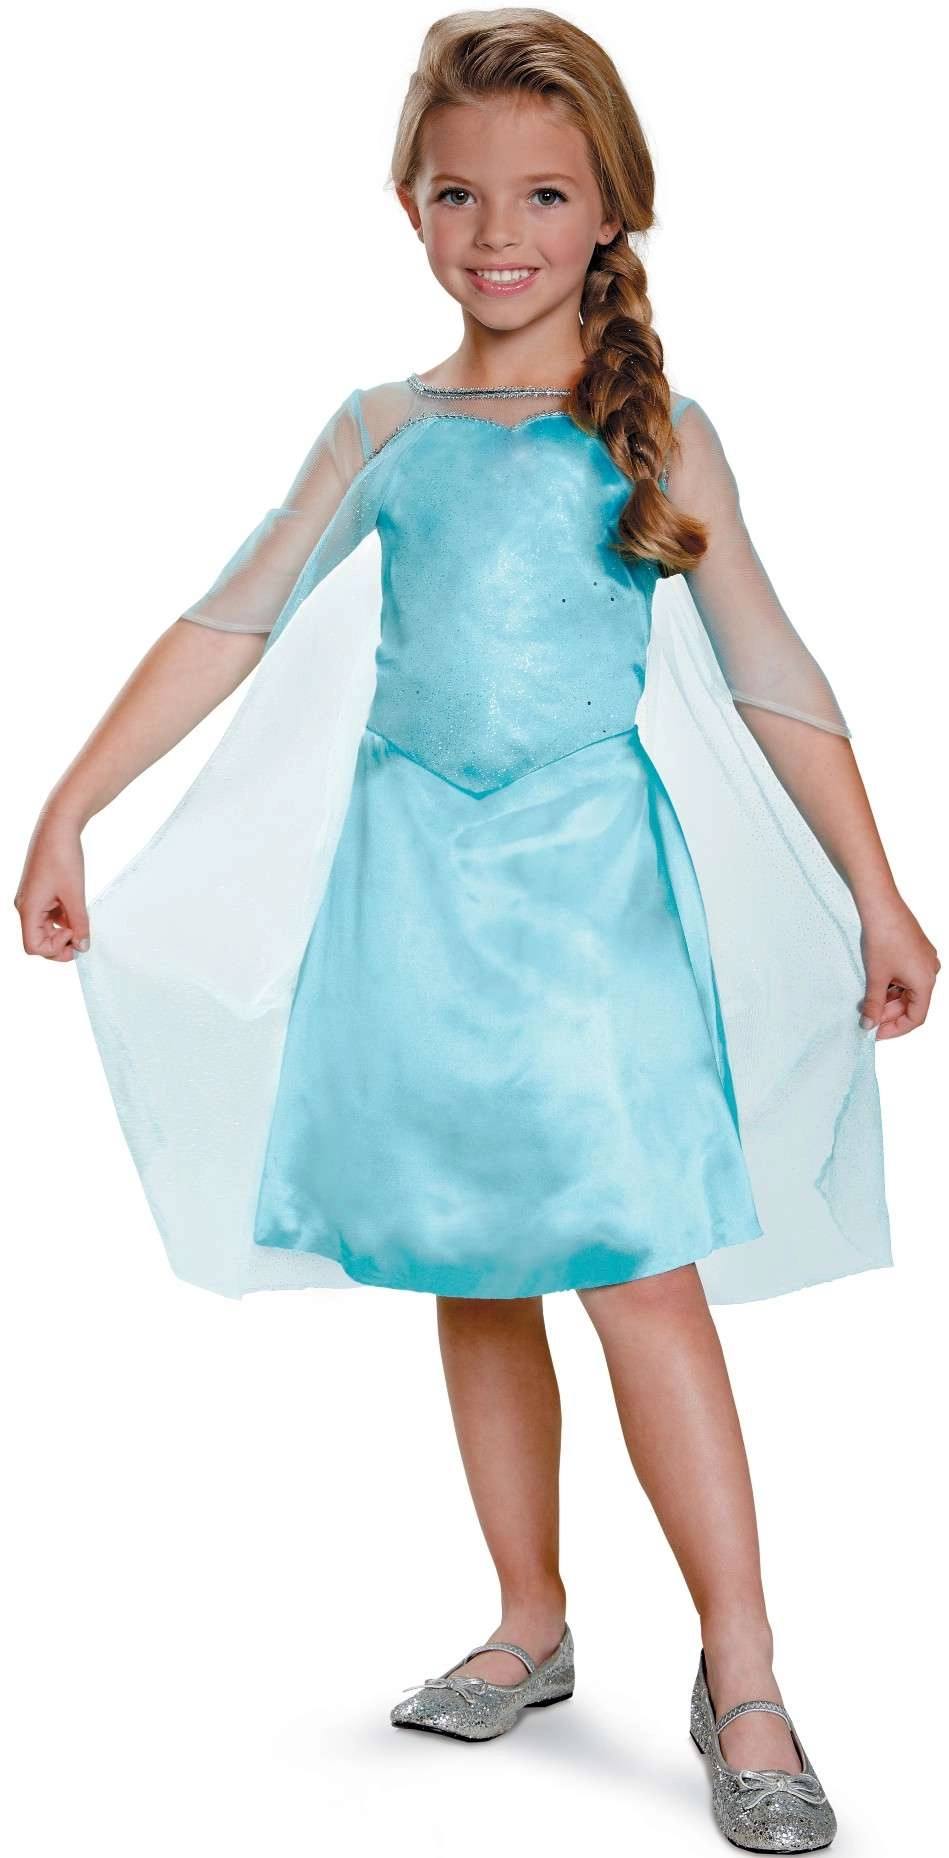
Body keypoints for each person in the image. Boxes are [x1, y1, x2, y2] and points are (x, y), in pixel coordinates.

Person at [14, 10, 939, 1850]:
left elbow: (772, 667)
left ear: (612, 214)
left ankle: (744, 1670)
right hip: (415, 895)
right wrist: (68, 801)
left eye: (542, 195)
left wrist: (878, 881)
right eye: (457, 194)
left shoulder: (656, 433)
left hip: (592, 904)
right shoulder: (383, 429)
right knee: (473, 1256)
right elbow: (231, 615)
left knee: (642, 1264)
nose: (496, 231)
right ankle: (531, 1618)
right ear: (409, 206)